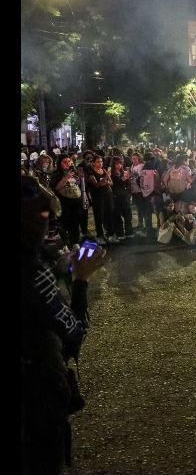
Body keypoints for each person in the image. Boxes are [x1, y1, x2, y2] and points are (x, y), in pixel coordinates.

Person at [21, 175, 106, 473]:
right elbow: (74, 331)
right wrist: (81, 279)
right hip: (36, 400)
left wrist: (57, 271)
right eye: (45, 218)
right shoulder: (32, 272)